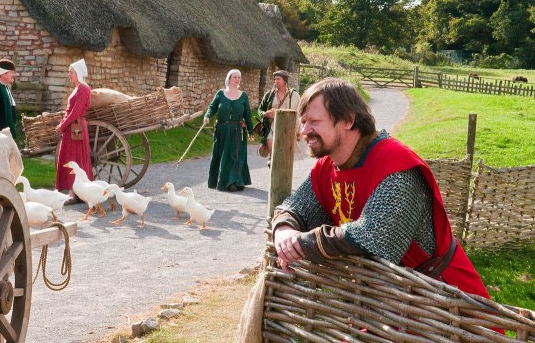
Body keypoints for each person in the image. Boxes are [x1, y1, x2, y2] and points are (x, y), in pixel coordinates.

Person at [272, 78, 492, 301]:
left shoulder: (395, 164)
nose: (304, 131)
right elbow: (295, 208)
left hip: (444, 300)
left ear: (348, 120)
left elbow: (373, 238)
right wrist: (284, 230)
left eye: (315, 122)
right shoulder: (326, 168)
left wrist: (305, 242)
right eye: (304, 121)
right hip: (390, 301)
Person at [203, 69, 256, 191]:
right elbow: (212, 107)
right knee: (223, 156)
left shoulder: (243, 96)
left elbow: (247, 114)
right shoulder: (221, 94)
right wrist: (207, 116)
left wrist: (251, 131)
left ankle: (236, 180)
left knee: (236, 155)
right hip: (222, 130)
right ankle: (226, 182)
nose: (237, 79)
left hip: (237, 130)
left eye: (239, 77)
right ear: (229, 79)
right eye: (235, 77)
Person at [55, 59, 92, 200]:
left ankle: (74, 192)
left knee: (74, 159)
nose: (69, 74)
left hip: (76, 129)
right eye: (69, 72)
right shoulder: (77, 88)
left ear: (78, 73)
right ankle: (71, 190)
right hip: (71, 128)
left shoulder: (83, 89)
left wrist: (63, 126)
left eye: (71, 72)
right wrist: (64, 124)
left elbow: (76, 112)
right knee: (69, 158)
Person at [257, 69, 300, 165]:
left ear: (285, 80)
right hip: (272, 125)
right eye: (274, 79)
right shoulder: (269, 95)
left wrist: (298, 131)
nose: (275, 81)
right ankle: (272, 159)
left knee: (285, 156)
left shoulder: (294, 95)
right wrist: (265, 114)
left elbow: (299, 113)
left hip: (287, 127)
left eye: (278, 79)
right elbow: (260, 110)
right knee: (270, 140)